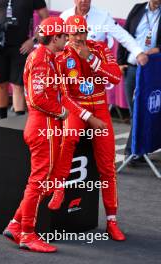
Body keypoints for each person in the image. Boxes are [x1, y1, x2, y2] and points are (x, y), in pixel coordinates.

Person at [48, 15, 126, 241]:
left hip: (100, 107)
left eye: (81, 32)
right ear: (67, 34)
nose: (78, 38)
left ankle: (112, 221)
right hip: (76, 108)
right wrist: (83, 114)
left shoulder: (98, 48)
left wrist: (90, 58)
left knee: (107, 165)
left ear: (87, 31)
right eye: (73, 34)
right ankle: (59, 187)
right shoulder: (62, 57)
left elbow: (116, 76)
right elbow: (61, 95)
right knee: (69, 138)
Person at [3, 17, 68, 253]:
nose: (67, 39)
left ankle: (15, 224)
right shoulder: (42, 59)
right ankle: (27, 234)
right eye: (64, 36)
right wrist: (63, 112)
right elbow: (39, 98)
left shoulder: (46, 56)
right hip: (44, 126)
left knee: (43, 181)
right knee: (39, 181)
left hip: (43, 125)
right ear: (55, 38)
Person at [0, 0, 48, 119]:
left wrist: (34, 40)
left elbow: (45, 18)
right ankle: (2, 120)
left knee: (18, 85)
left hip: (21, 45)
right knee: (1, 83)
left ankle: (18, 124)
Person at [117, 0, 161, 162]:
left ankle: (133, 150)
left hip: (151, 70)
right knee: (133, 109)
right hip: (132, 66)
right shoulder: (137, 9)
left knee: (144, 109)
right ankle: (139, 149)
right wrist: (120, 61)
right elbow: (125, 34)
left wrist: (159, 49)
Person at [60, 0, 148, 66]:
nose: (83, 1)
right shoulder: (65, 16)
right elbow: (54, 41)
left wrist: (138, 52)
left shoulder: (102, 16)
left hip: (93, 69)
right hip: (69, 67)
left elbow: (122, 35)